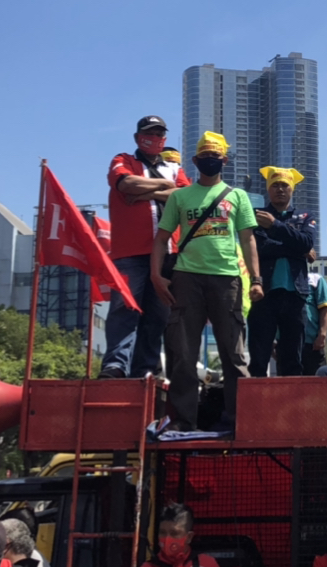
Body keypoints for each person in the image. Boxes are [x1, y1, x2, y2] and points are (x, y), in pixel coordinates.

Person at [152, 131, 261, 433]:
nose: (210, 162)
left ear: (224, 161)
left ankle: (240, 421)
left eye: (216, 157)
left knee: (234, 354)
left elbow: (248, 240)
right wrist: (157, 276)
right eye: (205, 158)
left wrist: (256, 279)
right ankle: (185, 421)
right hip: (187, 278)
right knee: (184, 354)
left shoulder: (236, 196)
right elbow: (161, 239)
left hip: (227, 279)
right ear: (195, 161)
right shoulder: (180, 196)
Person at [102, 115, 191, 379]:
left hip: (166, 254)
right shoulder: (124, 160)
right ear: (137, 137)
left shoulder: (174, 168)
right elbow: (125, 183)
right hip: (129, 252)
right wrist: (164, 185)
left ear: (165, 138)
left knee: (158, 315)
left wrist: (146, 193)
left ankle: (145, 370)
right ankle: (115, 365)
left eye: (159, 133)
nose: (153, 137)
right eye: (148, 132)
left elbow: (184, 196)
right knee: (124, 309)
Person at [248, 166, 318, 377]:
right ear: (268, 189)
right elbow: (256, 247)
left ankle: (292, 409)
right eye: (275, 185)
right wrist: (297, 249)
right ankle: (257, 408)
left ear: (292, 189)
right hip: (263, 294)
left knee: (292, 360)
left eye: (285, 185)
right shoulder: (255, 216)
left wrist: (275, 226)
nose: (280, 189)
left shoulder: (305, 216)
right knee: (259, 358)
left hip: (295, 295)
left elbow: (307, 242)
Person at [144, 503, 219, 567]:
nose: (167, 538)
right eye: (162, 532)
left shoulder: (206, 563)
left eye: (174, 533)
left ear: (189, 537)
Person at [302, 259, 327, 375]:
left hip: (313, 345)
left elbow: (324, 308)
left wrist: (322, 334)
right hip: (288, 347)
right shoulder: (284, 281)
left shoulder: (316, 279)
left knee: (318, 387)